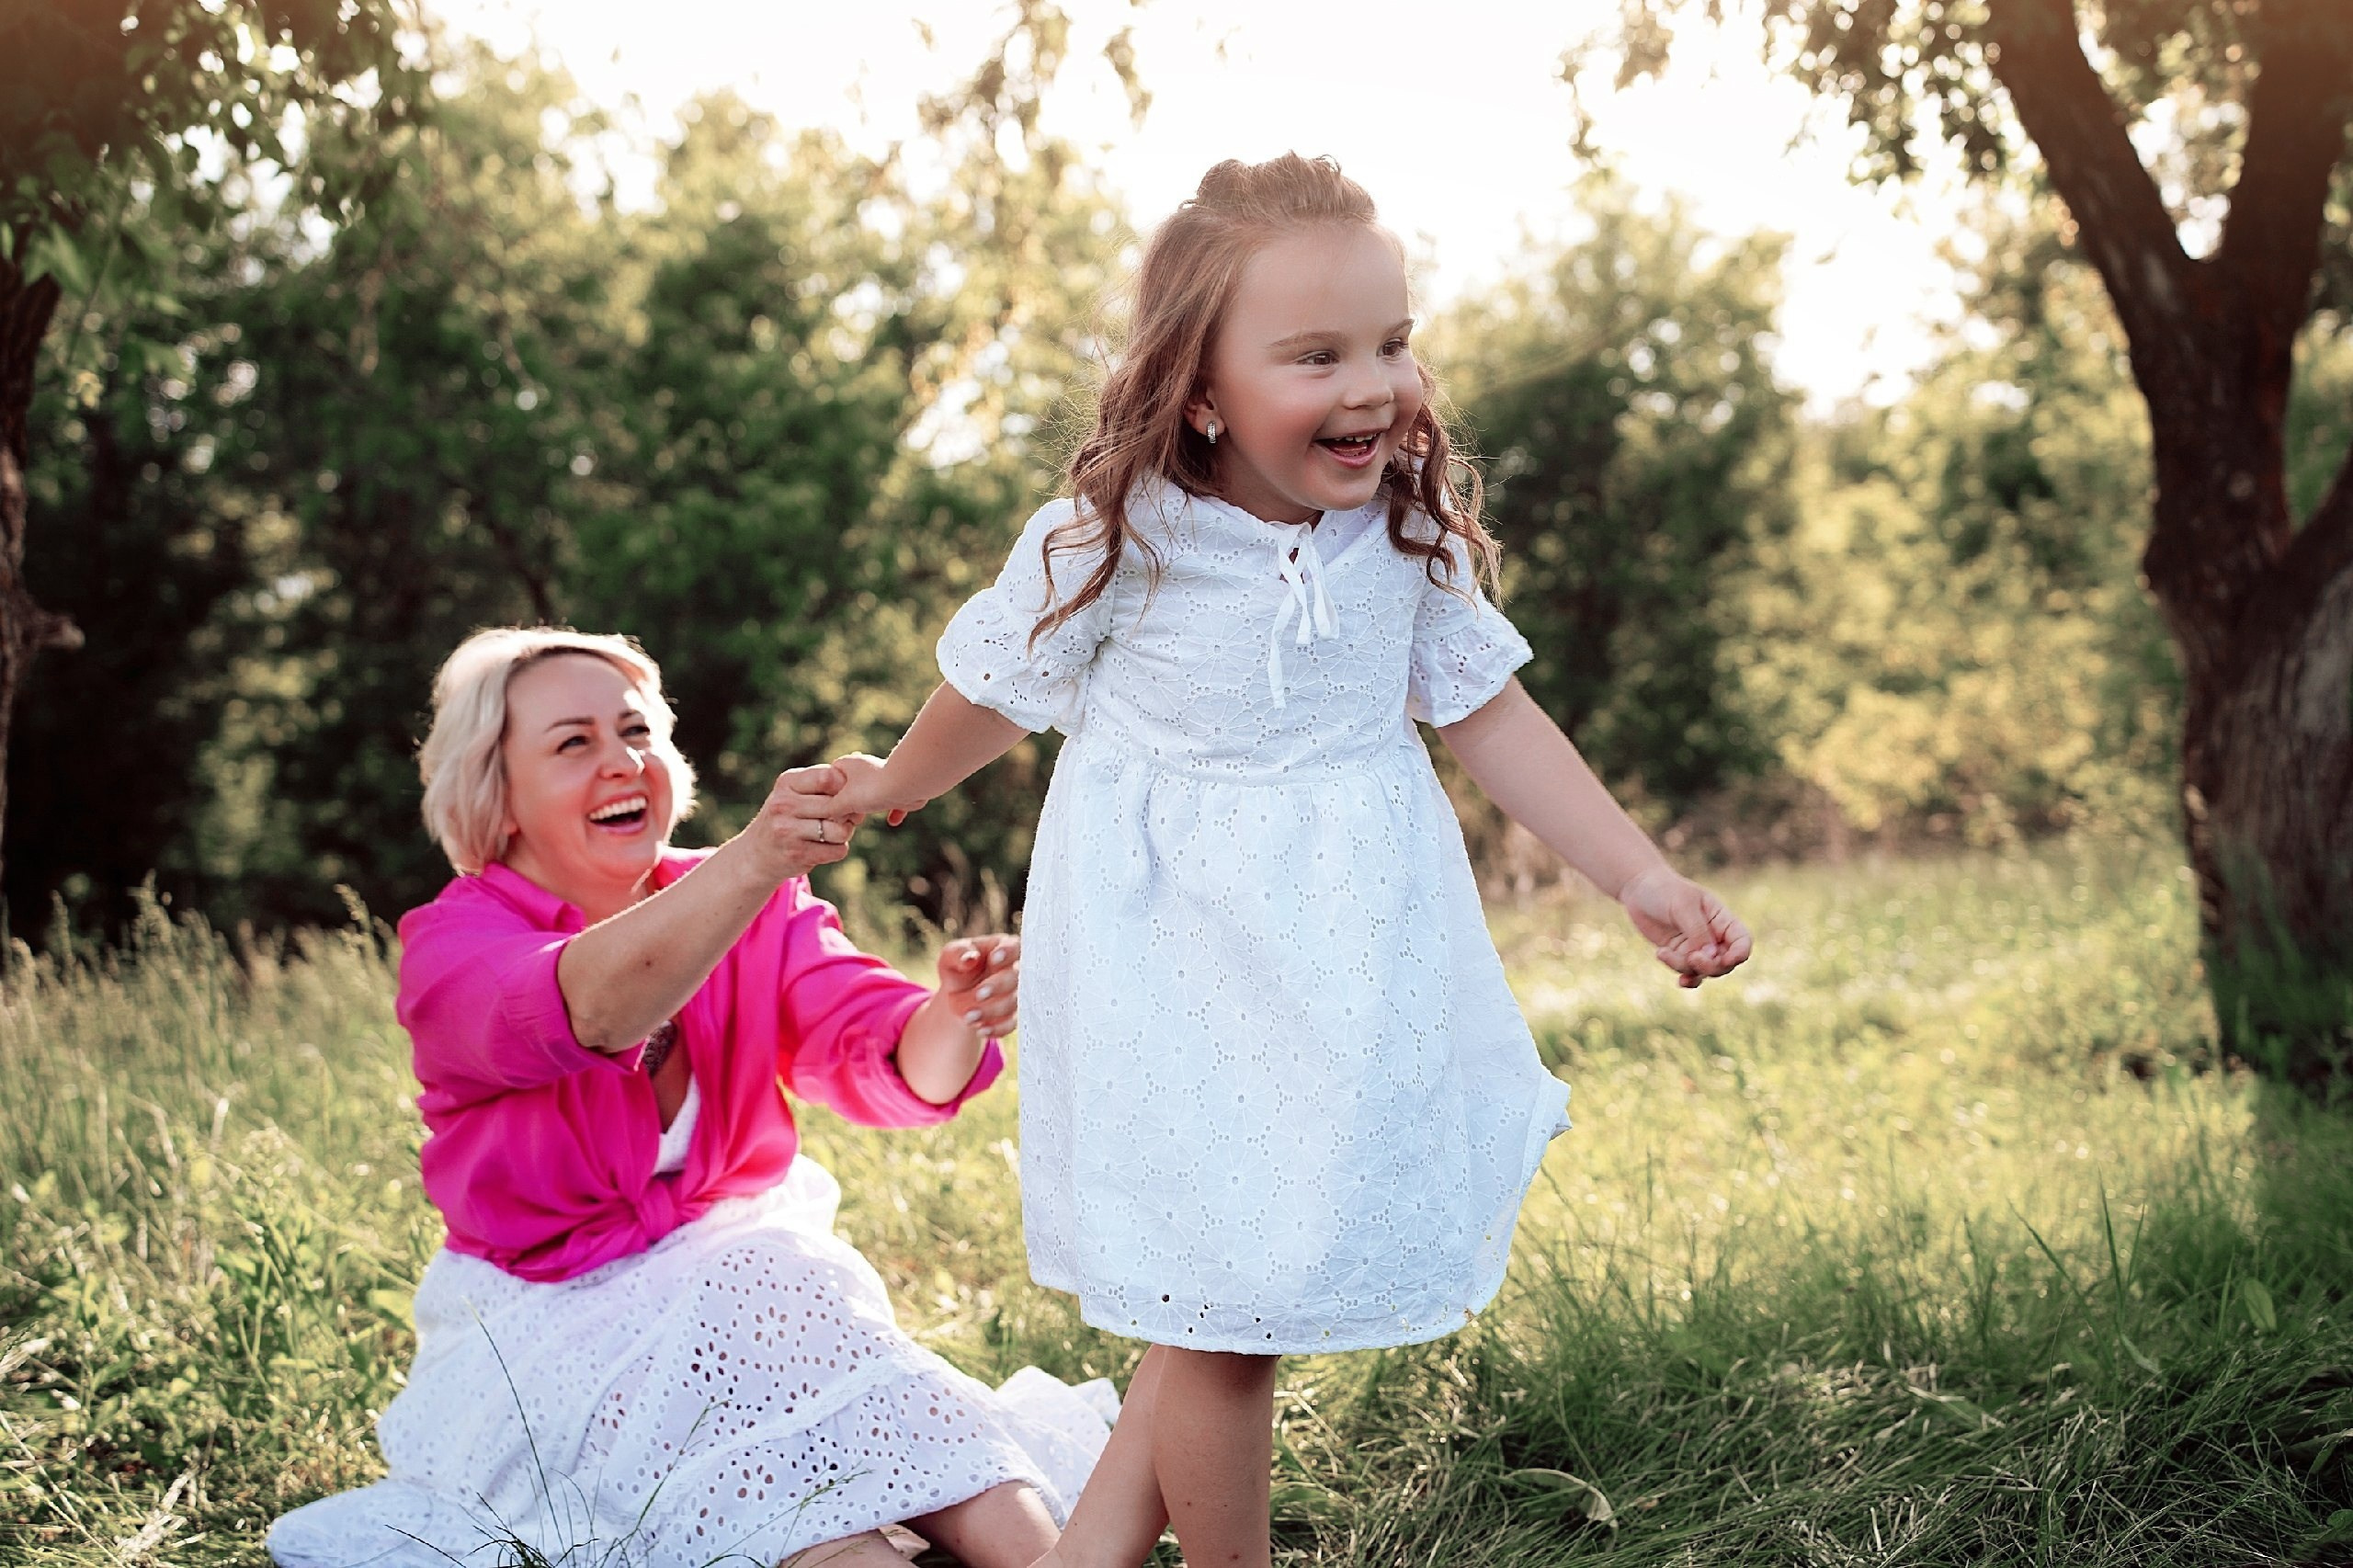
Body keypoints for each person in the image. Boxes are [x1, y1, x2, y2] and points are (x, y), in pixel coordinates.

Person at [828, 154, 1753, 1568]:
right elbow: (995, 687)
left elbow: (1492, 713)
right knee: (1224, 1311)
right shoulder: (1120, 538)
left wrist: (1635, 875)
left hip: (1343, 967)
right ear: (1201, 387)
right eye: (1317, 355)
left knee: (1232, 1302)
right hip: (1170, 962)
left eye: (1392, 341)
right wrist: (894, 780)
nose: (1374, 386)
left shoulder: (1400, 534)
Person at [267, 627, 1114, 1568]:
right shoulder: (453, 943)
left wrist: (957, 1010)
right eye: (572, 742)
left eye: (635, 730)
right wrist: (752, 860)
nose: (621, 759)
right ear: (495, 792)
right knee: (778, 1469)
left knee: (842, 1338)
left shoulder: (760, 901)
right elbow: (587, 1005)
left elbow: (885, 1056)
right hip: (555, 1323)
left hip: (751, 1288)